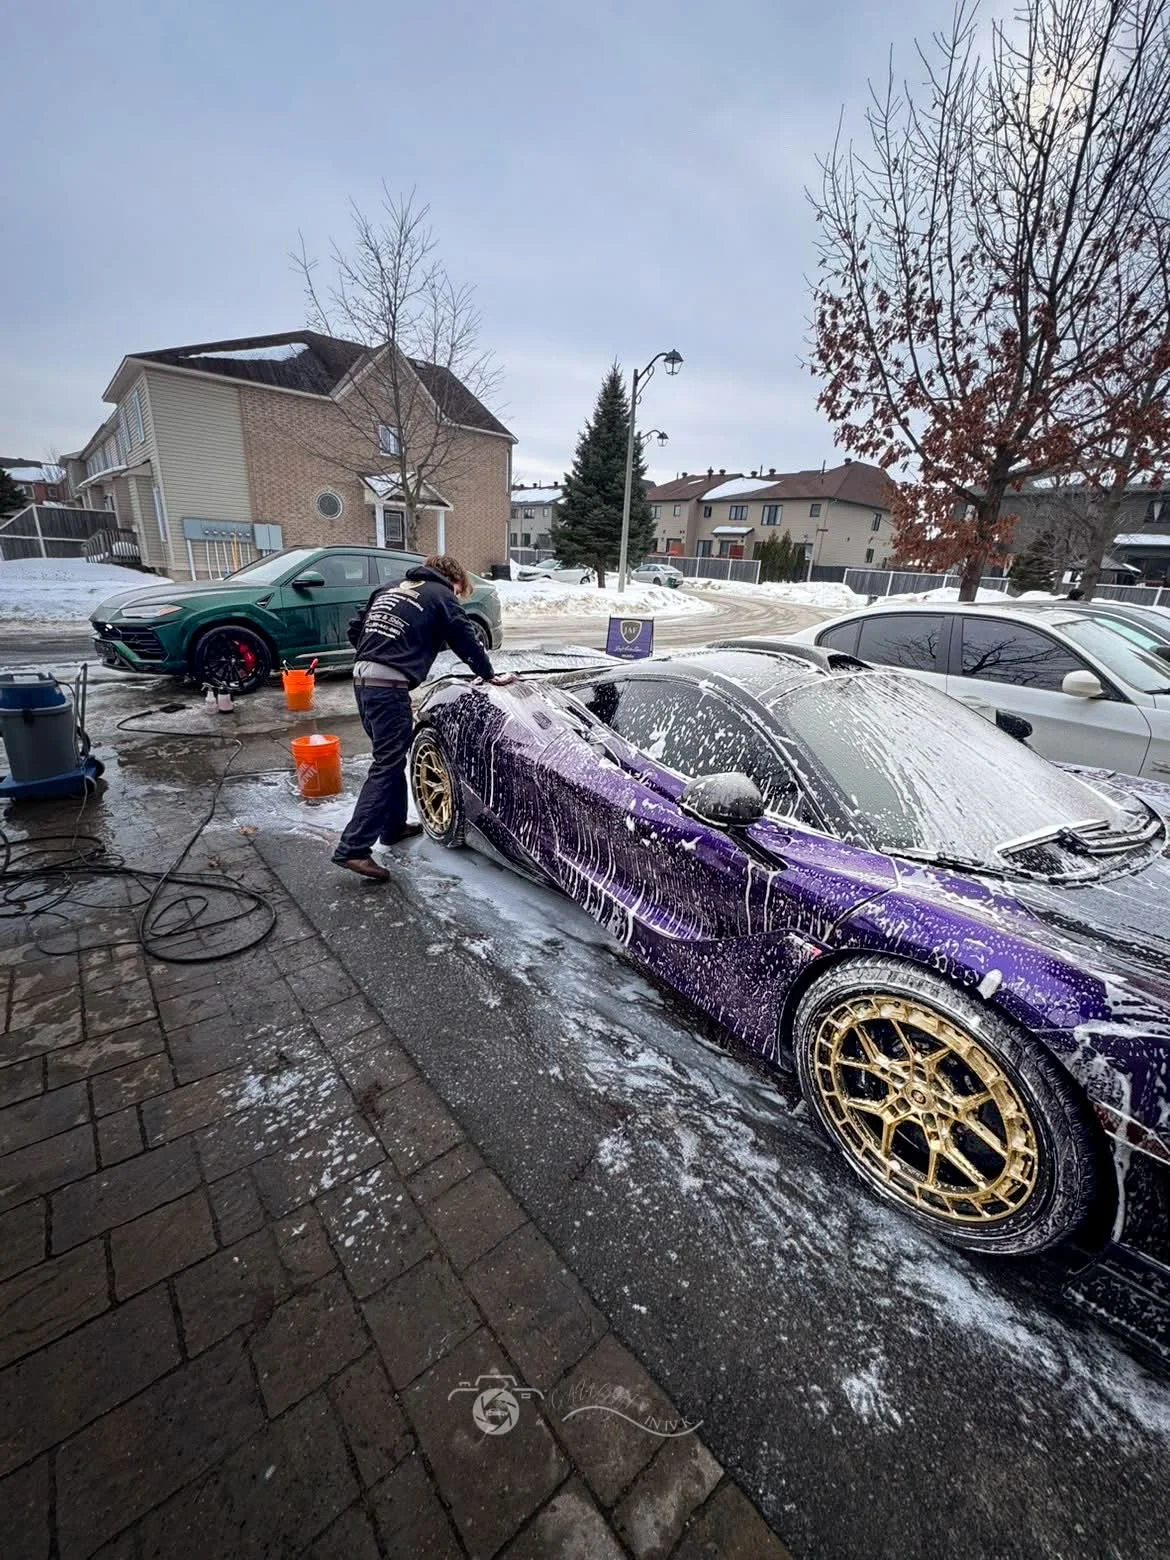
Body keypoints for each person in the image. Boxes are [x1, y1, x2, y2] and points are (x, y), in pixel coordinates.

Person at [332, 554, 512, 882]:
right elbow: (464, 637)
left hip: (362, 680)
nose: (457, 597)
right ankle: (354, 847)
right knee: (386, 765)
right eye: (460, 592)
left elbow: (356, 628)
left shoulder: (389, 588)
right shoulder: (441, 595)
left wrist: (382, 650)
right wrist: (487, 674)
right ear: (454, 581)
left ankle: (393, 827)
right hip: (388, 686)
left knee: (389, 757)